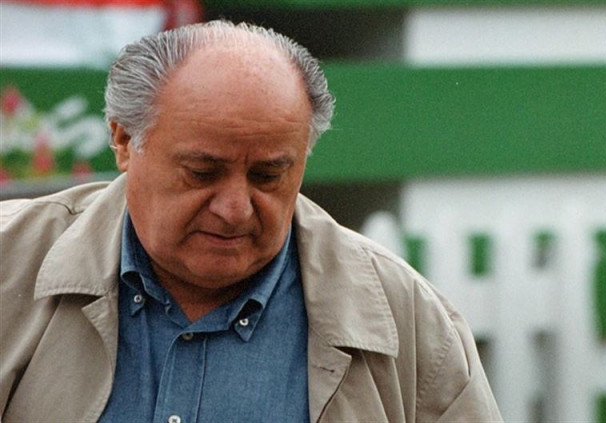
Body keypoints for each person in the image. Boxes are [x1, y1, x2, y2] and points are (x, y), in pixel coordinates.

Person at [0, 20, 502, 422]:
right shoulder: (10, 262)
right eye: (203, 172)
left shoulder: (407, 321)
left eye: (267, 176)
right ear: (124, 141)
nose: (235, 208)